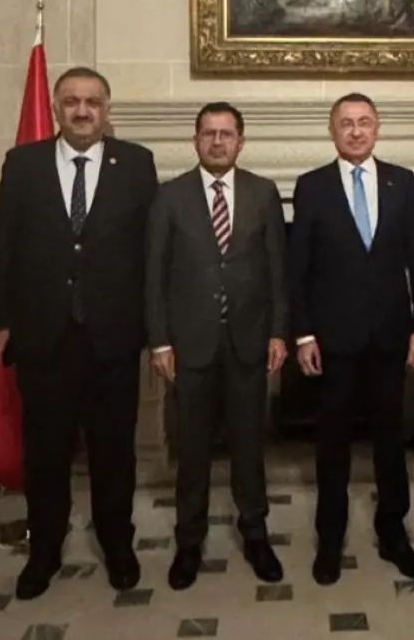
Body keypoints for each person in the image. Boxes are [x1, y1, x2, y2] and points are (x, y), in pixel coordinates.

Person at [0, 67, 158, 600]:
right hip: (44, 336)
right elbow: (3, 247)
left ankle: (117, 543)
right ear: (56, 109)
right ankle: (44, 550)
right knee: (45, 451)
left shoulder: (137, 164)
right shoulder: (23, 164)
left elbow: (150, 252)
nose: (82, 110)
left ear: (107, 110)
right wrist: (3, 322)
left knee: (115, 452)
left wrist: (152, 328)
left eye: (92, 102)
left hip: (113, 336)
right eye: (71, 101)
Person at [289, 93, 414, 586]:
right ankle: (330, 539)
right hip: (333, 341)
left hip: (391, 336)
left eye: (364, 122)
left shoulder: (402, 181)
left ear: (377, 129)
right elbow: (298, 268)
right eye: (346, 123)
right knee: (332, 443)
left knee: (391, 439)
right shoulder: (311, 186)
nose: (355, 131)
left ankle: (394, 535)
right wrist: (303, 333)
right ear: (332, 131)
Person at [145, 102, 288, 590]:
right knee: (192, 449)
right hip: (190, 346)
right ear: (196, 141)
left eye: (227, 134)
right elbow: (154, 276)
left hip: (248, 341)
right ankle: (190, 541)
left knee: (250, 446)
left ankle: (256, 533)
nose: (218, 141)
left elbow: (278, 269)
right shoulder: (169, 197)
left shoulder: (263, 193)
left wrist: (278, 332)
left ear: (241, 141)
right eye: (209, 133)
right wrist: (159, 341)